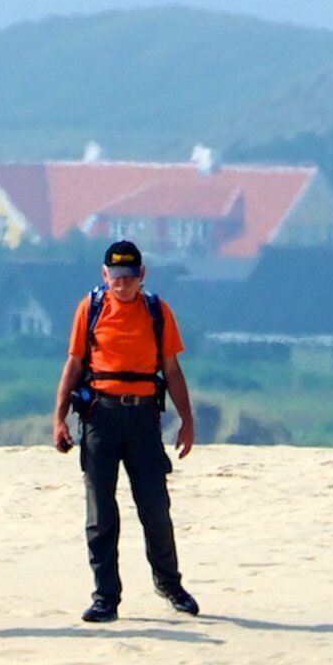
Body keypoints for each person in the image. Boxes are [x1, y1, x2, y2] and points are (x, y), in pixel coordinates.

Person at [51, 238, 201, 624]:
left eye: (129, 276)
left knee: (155, 507)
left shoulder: (157, 311)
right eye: (116, 276)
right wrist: (59, 419)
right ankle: (105, 597)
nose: (123, 283)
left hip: (144, 419)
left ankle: (169, 584)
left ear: (142, 274)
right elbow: (73, 364)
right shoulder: (90, 308)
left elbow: (172, 369)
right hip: (100, 417)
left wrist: (186, 420)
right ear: (105, 275)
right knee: (101, 512)